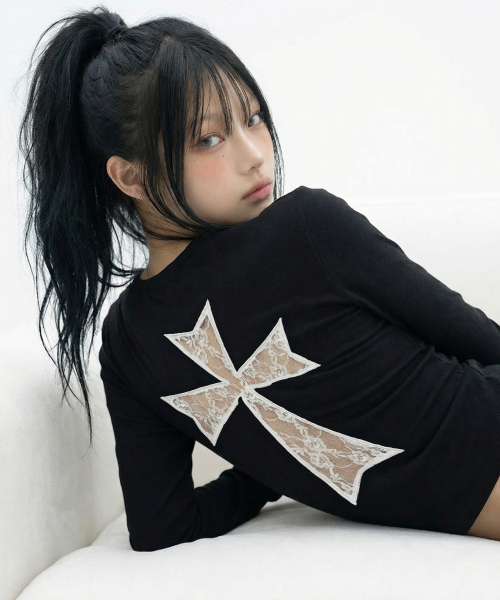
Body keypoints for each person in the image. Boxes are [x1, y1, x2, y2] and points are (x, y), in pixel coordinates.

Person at [19, 5, 500, 551]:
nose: (255, 156)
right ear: (130, 176)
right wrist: (277, 469)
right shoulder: (306, 231)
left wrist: (269, 473)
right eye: (208, 139)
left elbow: (162, 528)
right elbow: (159, 530)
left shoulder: (130, 345)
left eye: (252, 119)